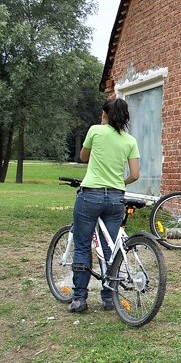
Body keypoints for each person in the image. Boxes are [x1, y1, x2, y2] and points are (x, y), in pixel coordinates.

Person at [69, 98, 140, 313]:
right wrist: (119, 183)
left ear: (105, 114)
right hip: (116, 198)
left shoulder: (95, 131)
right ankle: (109, 297)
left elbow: (83, 156)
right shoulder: (130, 140)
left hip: (91, 194)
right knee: (109, 247)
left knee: (82, 246)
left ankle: (79, 298)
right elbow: (135, 175)